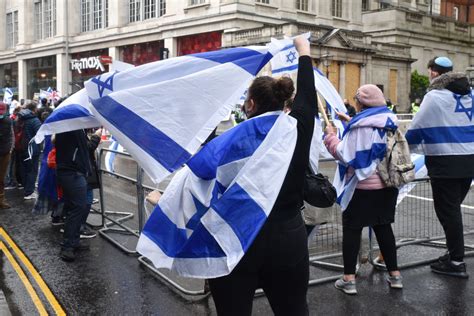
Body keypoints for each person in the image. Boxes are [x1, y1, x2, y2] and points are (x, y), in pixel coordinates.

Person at [208, 36, 316, 315]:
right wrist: (303, 50)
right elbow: (307, 94)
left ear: (251, 104)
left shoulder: (229, 141)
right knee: (293, 310)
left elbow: (199, 180)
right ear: (285, 103)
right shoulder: (298, 129)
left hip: (236, 236)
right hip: (287, 236)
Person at [325, 84, 402, 295]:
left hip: (361, 188)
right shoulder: (389, 121)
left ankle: (349, 279)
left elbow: (347, 154)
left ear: (361, 103)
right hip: (387, 186)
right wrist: (349, 122)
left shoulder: (359, 126)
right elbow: (372, 140)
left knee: (352, 230)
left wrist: (330, 137)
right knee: (384, 228)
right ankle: (395, 276)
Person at [406, 56, 474, 278]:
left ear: (434, 73)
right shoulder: (471, 94)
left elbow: (417, 127)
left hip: (445, 162)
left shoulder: (434, 96)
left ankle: (456, 261)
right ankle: (453, 253)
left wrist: (404, 147)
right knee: (452, 209)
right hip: (470, 161)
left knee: (448, 211)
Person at [56, 128, 102, 261]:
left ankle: (73, 242)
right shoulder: (72, 127)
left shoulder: (72, 127)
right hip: (72, 173)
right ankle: (67, 247)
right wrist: (96, 137)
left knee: (76, 207)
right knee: (78, 208)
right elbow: (87, 149)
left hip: (73, 172)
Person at [18, 102, 42, 200]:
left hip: (21, 146)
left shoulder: (20, 119)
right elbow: (40, 133)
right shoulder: (34, 120)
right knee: (32, 170)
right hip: (32, 148)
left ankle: (26, 188)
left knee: (24, 169)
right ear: (34, 109)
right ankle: (29, 192)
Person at [0, 102, 14, 209]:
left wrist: (10, 149)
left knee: (1, 178)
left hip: (4, 153)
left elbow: (11, 135)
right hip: (5, 152)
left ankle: (1, 199)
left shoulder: (8, 121)